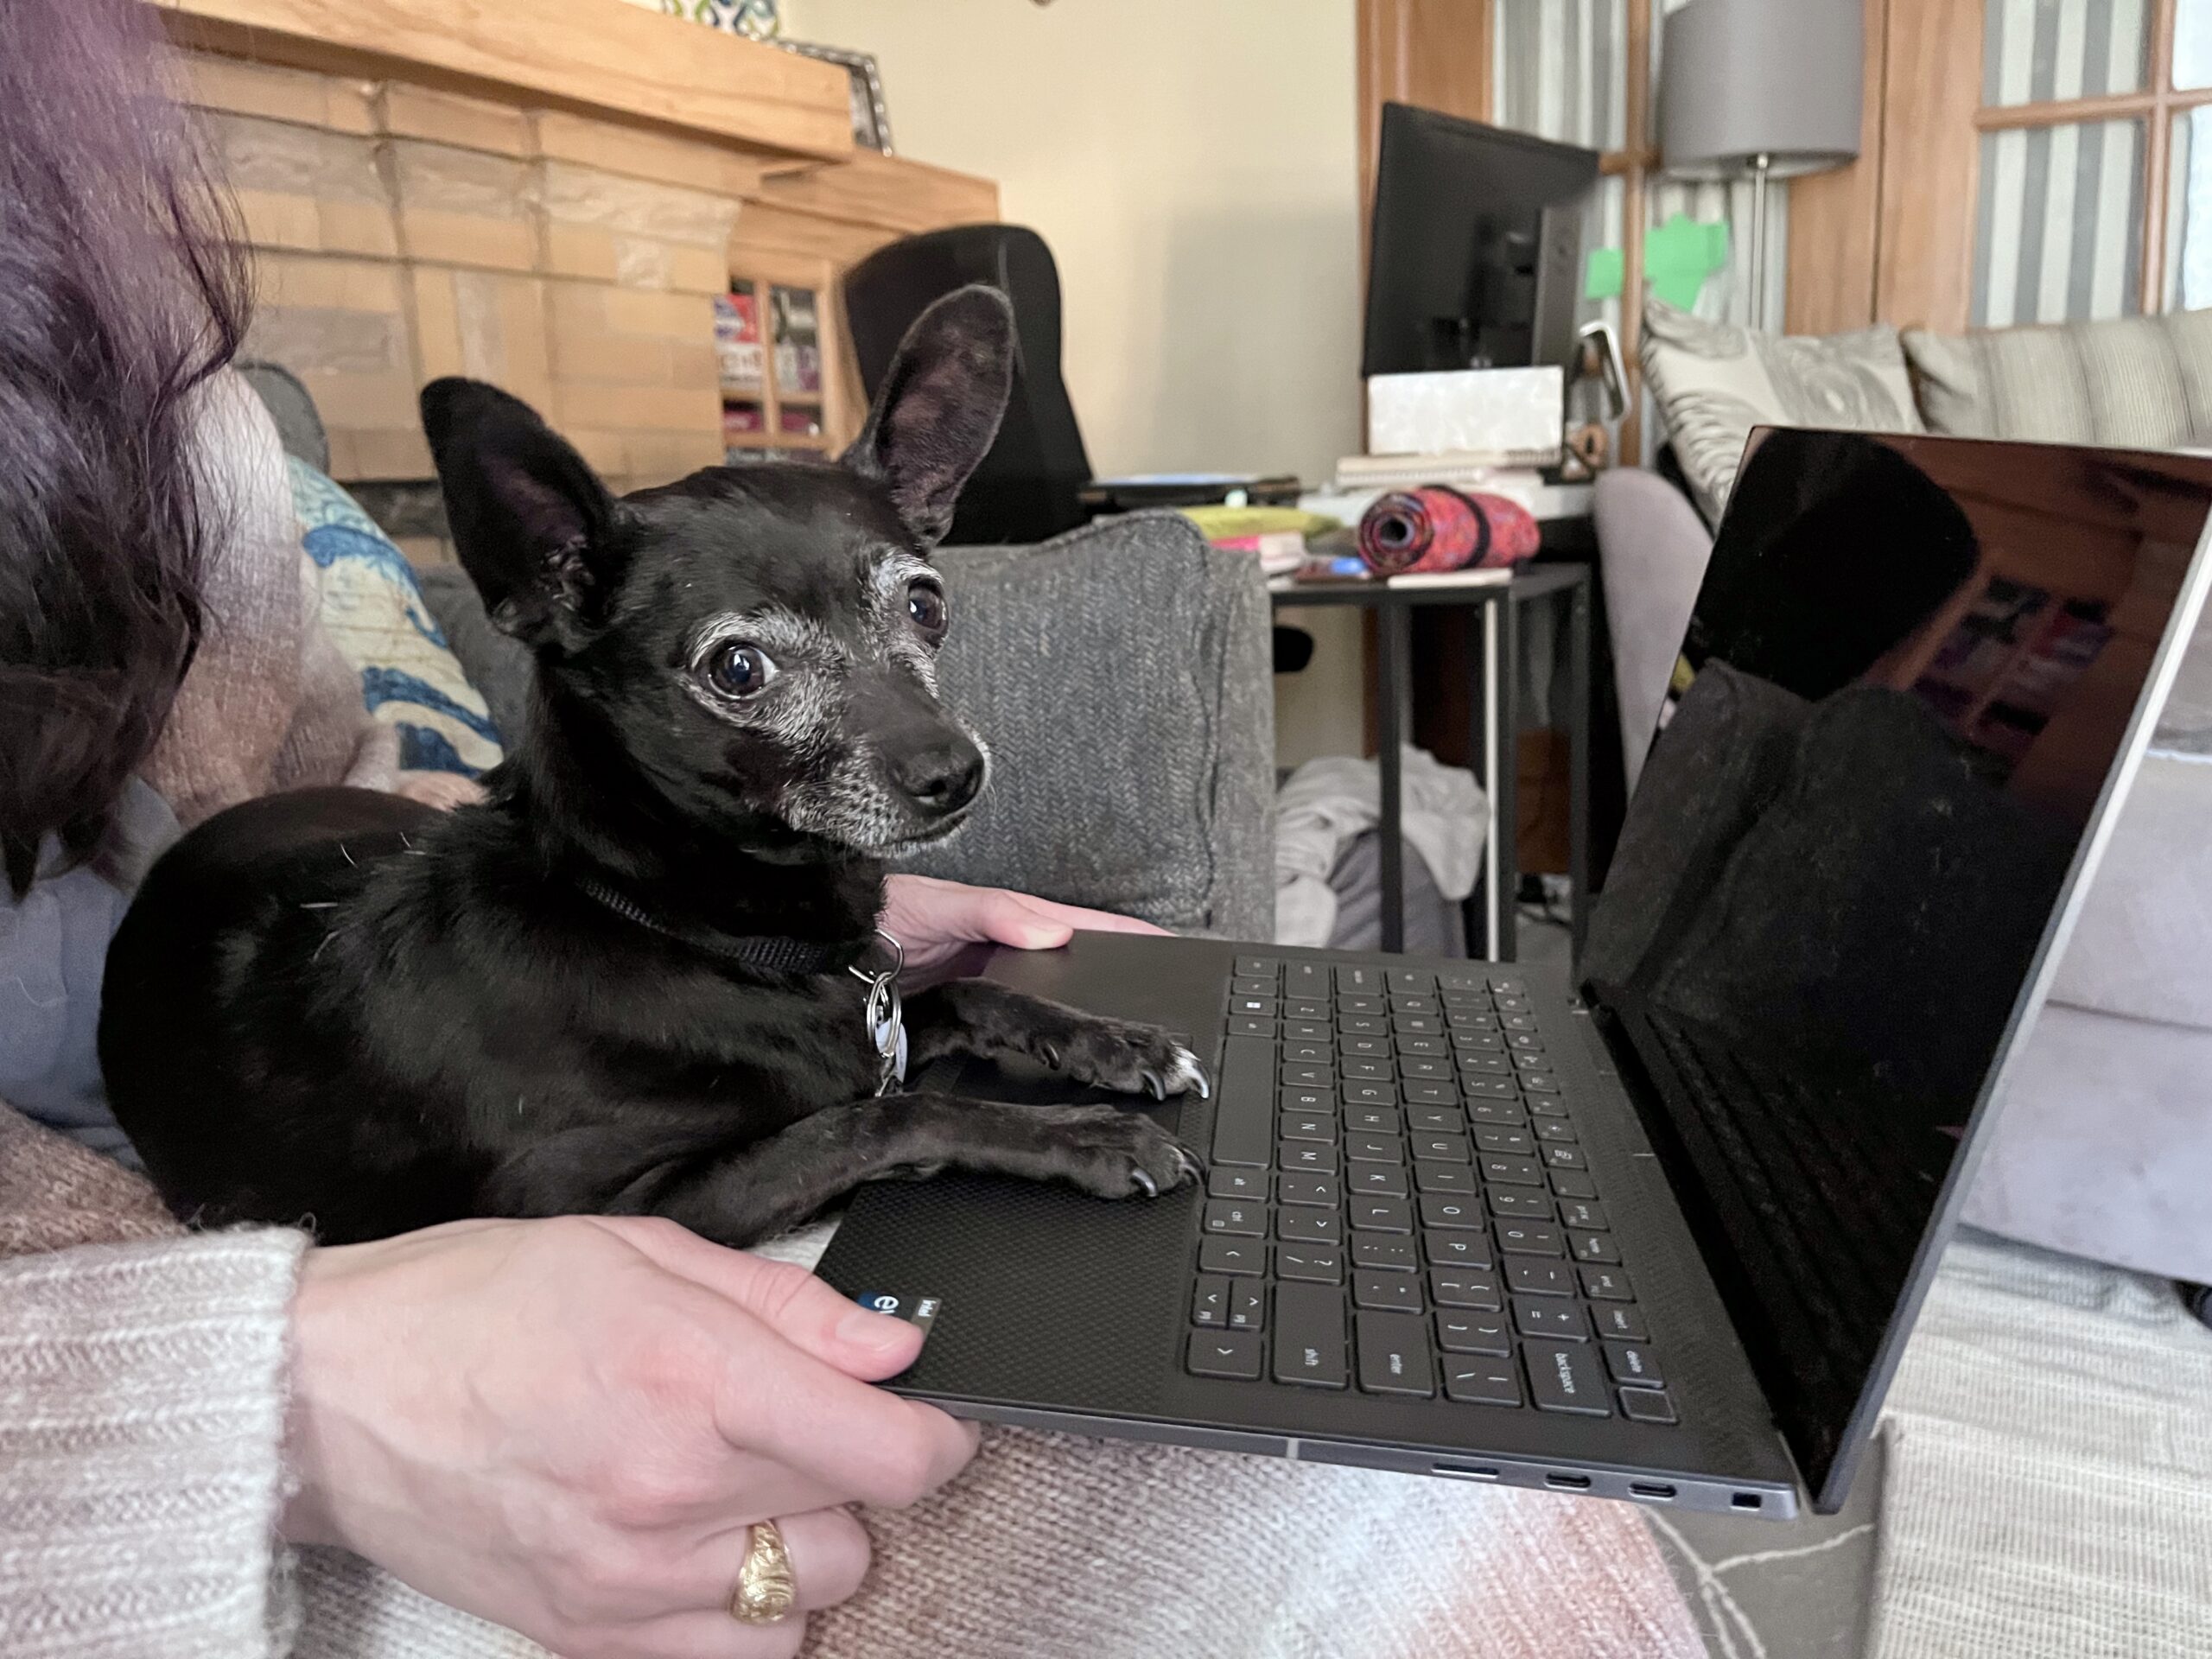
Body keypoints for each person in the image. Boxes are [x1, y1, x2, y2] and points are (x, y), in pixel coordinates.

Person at [1, 3, 1707, 1655]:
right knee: (1388, 1526)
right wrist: (294, 1403)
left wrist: (886, 963)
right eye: (751, 670)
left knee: (1403, 1432)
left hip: (330, 897)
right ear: (549, 589)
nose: (924, 734)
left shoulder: (179, 425)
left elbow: (423, 801)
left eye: (911, 612)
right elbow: (604, 1175)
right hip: (190, 1321)